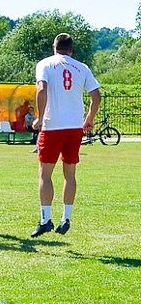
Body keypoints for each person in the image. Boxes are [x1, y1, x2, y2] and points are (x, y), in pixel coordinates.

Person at [30, 33, 101, 238]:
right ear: (71, 49)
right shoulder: (82, 67)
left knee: (45, 174)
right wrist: (89, 119)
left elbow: (42, 89)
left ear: (54, 47)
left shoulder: (45, 64)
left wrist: (40, 117)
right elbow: (96, 96)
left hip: (53, 126)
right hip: (74, 127)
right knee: (69, 174)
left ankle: (45, 220)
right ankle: (66, 218)